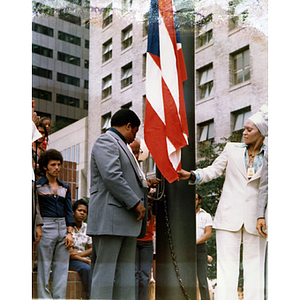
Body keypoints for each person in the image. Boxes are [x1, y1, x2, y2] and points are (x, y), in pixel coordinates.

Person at [177, 105, 268, 300]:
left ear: (261, 132)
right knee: (226, 269)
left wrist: (265, 215)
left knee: (255, 268)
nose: (244, 132)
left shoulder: (271, 155)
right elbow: (213, 170)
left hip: (258, 220)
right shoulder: (231, 149)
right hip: (228, 216)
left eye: (249, 130)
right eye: (243, 128)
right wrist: (193, 174)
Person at [87, 109, 149, 300]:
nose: (133, 139)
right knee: (105, 275)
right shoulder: (106, 141)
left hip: (124, 220)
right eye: (134, 132)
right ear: (128, 126)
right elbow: (112, 176)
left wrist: (145, 184)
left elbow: (125, 177)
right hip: (111, 218)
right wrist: (135, 202)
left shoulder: (120, 144)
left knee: (125, 276)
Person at [36, 149, 75, 299]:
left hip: (63, 227)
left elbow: (69, 210)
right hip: (46, 225)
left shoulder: (64, 187)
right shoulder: (38, 186)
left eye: (59, 164)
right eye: (53, 164)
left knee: (62, 267)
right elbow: (36, 209)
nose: (57, 168)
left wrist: (70, 232)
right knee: (44, 266)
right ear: (45, 166)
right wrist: (38, 227)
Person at [69, 199, 92, 299]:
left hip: (80, 258)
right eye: (80, 210)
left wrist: (79, 255)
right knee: (86, 268)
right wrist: (85, 261)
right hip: (69, 261)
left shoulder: (87, 227)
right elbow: (70, 254)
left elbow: (92, 248)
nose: (82, 213)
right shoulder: (68, 228)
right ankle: (90, 295)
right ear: (73, 212)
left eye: (85, 211)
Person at [195, 193, 212, 300]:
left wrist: (194, 243)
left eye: (195, 199)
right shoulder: (184, 215)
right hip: (185, 249)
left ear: (199, 200)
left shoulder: (206, 215)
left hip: (200, 249)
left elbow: (208, 234)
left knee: (202, 280)